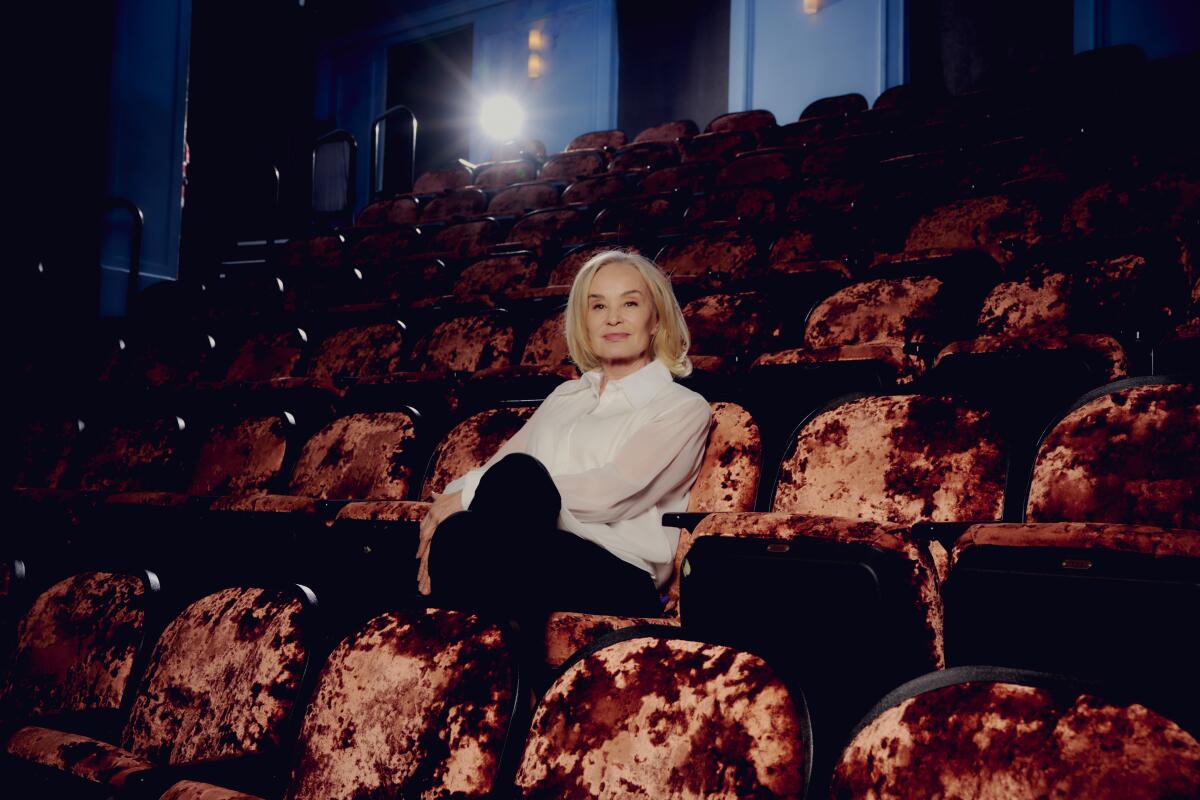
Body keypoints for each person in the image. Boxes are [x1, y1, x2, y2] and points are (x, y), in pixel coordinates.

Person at [416, 250, 711, 617]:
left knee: (518, 481)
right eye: (598, 307)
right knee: (456, 536)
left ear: (656, 321)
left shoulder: (682, 406)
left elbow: (609, 494)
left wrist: (468, 497)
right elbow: (493, 469)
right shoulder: (564, 397)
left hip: (618, 569)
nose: (614, 318)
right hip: (532, 550)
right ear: (584, 322)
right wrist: (449, 508)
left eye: (630, 303)